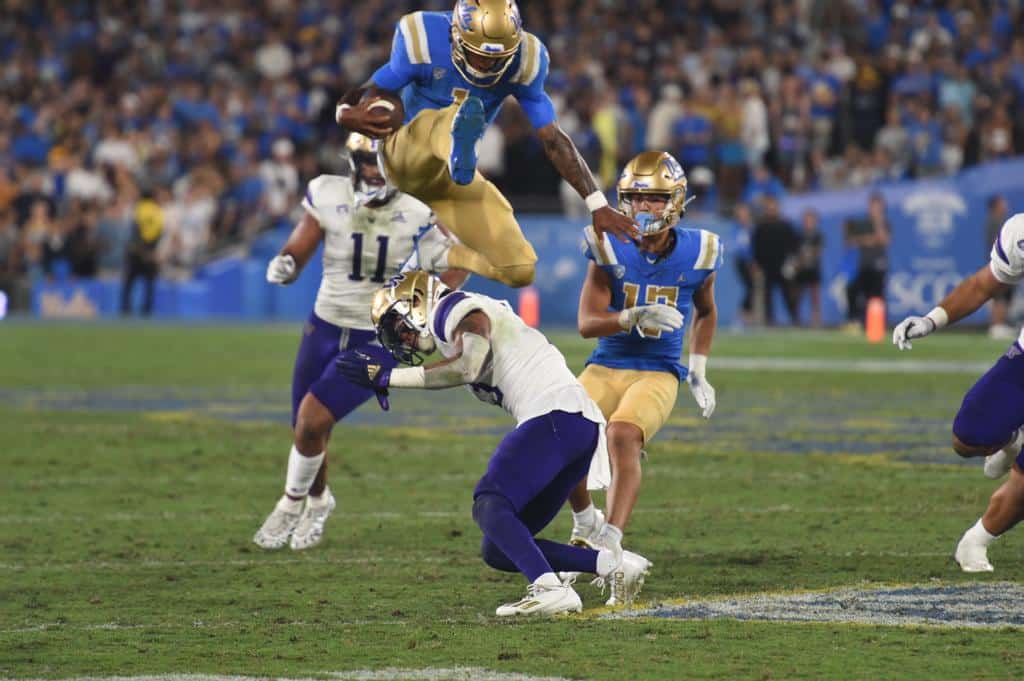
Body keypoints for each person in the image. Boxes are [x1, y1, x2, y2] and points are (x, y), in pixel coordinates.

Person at [338, 271, 653, 615]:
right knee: (499, 548)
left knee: (489, 501)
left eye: (399, 328)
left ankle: (549, 589)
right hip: (574, 425)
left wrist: (387, 377)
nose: (404, 340)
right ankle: (614, 565)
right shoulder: (457, 318)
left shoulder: (451, 310)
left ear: (416, 304)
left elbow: (467, 367)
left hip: (557, 415)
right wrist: (584, 512)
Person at [253, 134, 466, 552]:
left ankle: (291, 502)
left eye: (382, 162)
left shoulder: (417, 210)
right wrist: (287, 262)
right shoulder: (327, 191)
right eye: (368, 162)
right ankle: (318, 501)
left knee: (313, 420)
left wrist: (424, 306)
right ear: (353, 162)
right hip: (325, 324)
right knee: (307, 429)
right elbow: (301, 244)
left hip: (379, 335)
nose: (375, 171)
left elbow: (456, 263)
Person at [336, 0, 639, 290]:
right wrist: (346, 111)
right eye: (478, 53)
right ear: (456, 35)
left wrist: (597, 203)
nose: (486, 63)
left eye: (496, 56)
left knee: (519, 269)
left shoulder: (527, 60)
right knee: (443, 118)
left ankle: (445, 253)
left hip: (456, 176)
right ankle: (458, 140)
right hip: (406, 158)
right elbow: (375, 89)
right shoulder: (423, 36)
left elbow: (553, 139)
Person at [563, 150, 721, 604]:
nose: (644, 208)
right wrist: (630, 316)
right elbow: (588, 322)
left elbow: (706, 312)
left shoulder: (702, 249)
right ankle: (583, 523)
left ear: (675, 200)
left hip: (657, 370)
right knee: (563, 434)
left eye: (654, 198)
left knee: (621, 434)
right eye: (635, 197)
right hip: (606, 362)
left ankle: (610, 538)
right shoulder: (607, 242)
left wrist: (699, 369)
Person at [892, 211, 1024, 573]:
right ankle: (1014, 438)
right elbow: (983, 284)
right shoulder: (1021, 231)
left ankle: (976, 540)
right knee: (967, 437)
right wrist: (932, 319)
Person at [844, 192, 890, 328]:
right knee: (852, 291)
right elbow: (851, 240)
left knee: (876, 297)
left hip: (878, 265)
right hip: (864, 264)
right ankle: (854, 321)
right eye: (872, 206)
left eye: (877, 207)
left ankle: (876, 325)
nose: (874, 209)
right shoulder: (862, 224)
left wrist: (877, 223)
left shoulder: (884, 223)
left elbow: (883, 240)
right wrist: (869, 239)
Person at [752, 195, 799, 325]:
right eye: (769, 208)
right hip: (767, 266)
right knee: (767, 295)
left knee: (788, 293)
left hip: (783, 266)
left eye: (773, 208)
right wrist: (756, 264)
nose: (771, 210)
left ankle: (795, 318)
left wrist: (793, 261)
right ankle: (769, 320)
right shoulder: (760, 227)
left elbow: (794, 245)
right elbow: (756, 247)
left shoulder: (785, 226)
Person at [121, 195, 164, 317]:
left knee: (130, 284)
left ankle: (126, 310)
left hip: (138, 253)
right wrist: (150, 251)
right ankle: (145, 311)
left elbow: (132, 235)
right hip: (147, 253)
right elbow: (158, 233)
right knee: (148, 284)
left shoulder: (137, 211)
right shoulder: (157, 213)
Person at [986, 195, 1015, 339]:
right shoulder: (995, 222)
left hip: (1009, 264)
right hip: (1001, 264)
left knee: (1007, 295)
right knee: (1000, 295)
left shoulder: (1002, 221)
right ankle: (997, 325)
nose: (1005, 205)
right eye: (1002, 203)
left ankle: (1000, 324)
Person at [791, 208, 824, 327]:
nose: (808, 222)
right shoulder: (798, 236)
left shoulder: (818, 235)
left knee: (815, 296)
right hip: (801, 270)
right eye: (806, 220)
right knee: (797, 295)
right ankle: (796, 320)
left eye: (811, 220)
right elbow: (795, 253)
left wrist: (808, 254)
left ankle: (816, 320)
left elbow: (818, 251)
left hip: (813, 269)